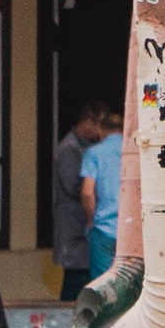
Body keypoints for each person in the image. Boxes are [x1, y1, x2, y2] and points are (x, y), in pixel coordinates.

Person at [52, 99, 109, 303]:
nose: (100, 131)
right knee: (75, 280)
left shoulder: (88, 147)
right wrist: (98, 190)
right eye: (98, 124)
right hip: (74, 225)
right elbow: (73, 186)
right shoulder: (70, 148)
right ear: (86, 122)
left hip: (83, 224)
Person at [85, 113, 125, 284]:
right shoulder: (133, 151)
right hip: (130, 228)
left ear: (101, 130)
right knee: (129, 281)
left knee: (103, 283)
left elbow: (87, 193)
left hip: (103, 228)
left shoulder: (94, 153)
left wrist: (90, 219)